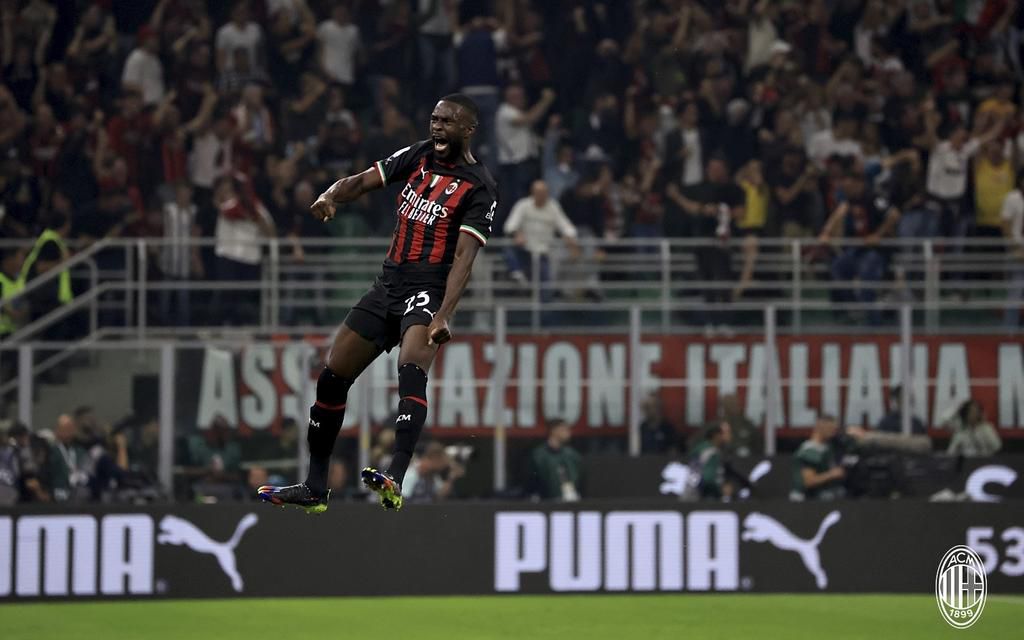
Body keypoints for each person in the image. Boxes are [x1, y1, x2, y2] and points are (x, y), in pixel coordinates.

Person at [258, 94, 497, 513]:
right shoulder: (418, 156)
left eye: (448, 121)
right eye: (434, 118)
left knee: (411, 368)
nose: (437, 127)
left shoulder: (479, 187)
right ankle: (316, 486)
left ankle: (396, 478)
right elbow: (365, 180)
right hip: (388, 283)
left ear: (468, 130)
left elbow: (464, 258)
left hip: (428, 288)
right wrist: (331, 195)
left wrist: (444, 315)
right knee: (332, 377)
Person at [502, 180, 578, 291]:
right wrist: (517, 233)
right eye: (538, 192)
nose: (541, 195)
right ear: (532, 192)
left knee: (545, 287)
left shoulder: (553, 207)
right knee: (508, 249)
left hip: (544, 253)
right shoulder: (523, 205)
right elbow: (509, 225)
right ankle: (518, 275)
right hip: (525, 250)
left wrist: (569, 236)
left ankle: (544, 304)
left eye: (544, 192)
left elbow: (565, 225)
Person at [791, 415, 846, 501]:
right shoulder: (810, 450)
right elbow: (809, 481)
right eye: (831, 429)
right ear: (821, 427)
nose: (834, 432)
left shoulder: (827, 447)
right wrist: (832, 474)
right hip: (805, 501)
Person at [526, 420, 581, 501]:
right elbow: (531, 480)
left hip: (570, 500)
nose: (568, 433)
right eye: (564, 429)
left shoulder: (572, 455)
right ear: (554, 431)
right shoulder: (539, 455)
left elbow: (579, 477)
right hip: (546, 501)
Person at [400, 441, 465, 503]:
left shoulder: (433, 476)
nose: (442, 465)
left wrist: (451, 477)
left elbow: (439, 495)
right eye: (440, 460)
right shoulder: (411, 473)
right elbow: (402, 498)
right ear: (434, 458)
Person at [1002, 170, 1024, 327]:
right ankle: (1009, 330)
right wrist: (1016, 248)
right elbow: (1005, 225)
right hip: (1017, 251)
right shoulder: (1012, 198)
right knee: (1015, 291)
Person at [690, 422, 732, 501]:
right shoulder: (711, 452)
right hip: (705, 494)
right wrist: (720, 490)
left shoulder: (702, 447)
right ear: (716, 435)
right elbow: (708, 478)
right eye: (724, 433)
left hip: (695, 490)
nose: (728, 436)